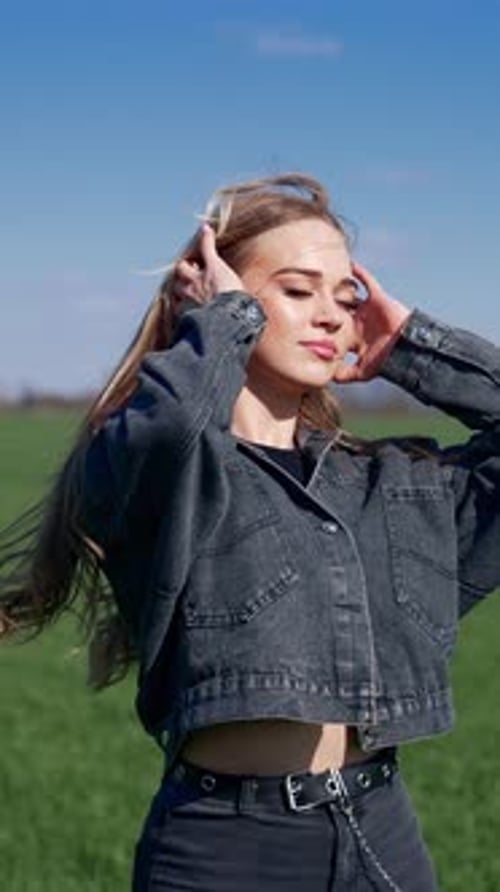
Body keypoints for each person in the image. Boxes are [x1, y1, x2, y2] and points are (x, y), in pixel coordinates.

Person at [1, 173, 499, 891]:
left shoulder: (386, 482)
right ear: (212, 295)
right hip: (228, 851)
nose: (329, 314)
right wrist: (220, 320)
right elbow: (174, 425)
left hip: (382, 836)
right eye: (298, 290)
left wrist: (413, 348)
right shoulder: (152, 469)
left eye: (345, 295)